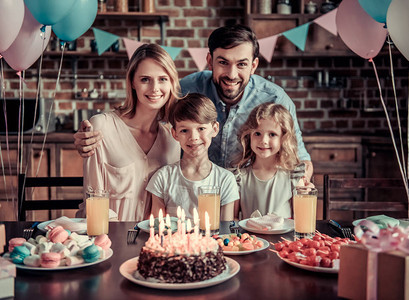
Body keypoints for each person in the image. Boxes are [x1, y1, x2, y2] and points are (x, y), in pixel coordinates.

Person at [73, 24, 313, 179]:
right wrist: (97, 134)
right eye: (223, 62)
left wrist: (299, 184)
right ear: (209, 61)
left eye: (241, 64)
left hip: (247, 200)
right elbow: (145, 113)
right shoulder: (187, 89)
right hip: (191, 194)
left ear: (254, 65)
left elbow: (300, 160)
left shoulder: (274, 99)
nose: (231, 73)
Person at [76, 44, 181, 221]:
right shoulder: (102, 127)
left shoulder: (173, 138)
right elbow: (93, 201)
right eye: (145, 79)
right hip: (107, 237)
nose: (155, 88)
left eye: (163, 79)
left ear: (172, 82)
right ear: (132, 82)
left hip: (153, 240)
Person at [147, 93, 239, 221]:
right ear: (175, 134)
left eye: (201, 128)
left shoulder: (225, 180)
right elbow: (158, 229)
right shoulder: (163, 178)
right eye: (184, 130)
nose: (194, 137)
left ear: (214, 129)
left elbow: (225, 230)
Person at [233, 102, 313, 220]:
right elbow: (233, 220)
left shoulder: (294, 176)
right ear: (249, 135)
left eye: (272, 134)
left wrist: (308, 197)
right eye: (258, 133)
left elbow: (302, 220)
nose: (264, 140)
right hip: (250, 238)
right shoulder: (239, 177)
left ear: (284, 138)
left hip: (285, 238)